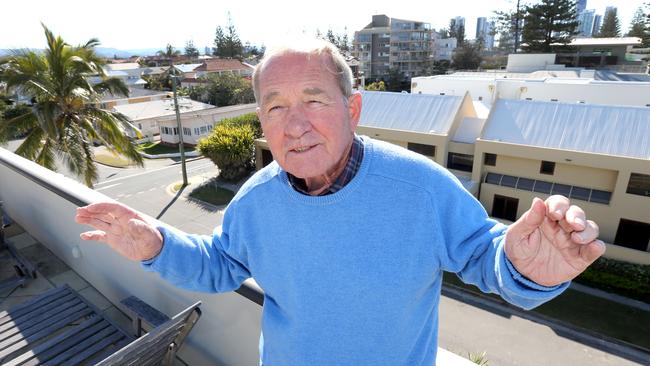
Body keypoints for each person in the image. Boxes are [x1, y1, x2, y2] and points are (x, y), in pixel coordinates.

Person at [76, 39, 605, 365]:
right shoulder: (256, 200)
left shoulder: (420, 187)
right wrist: (155, 244)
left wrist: (530, 270)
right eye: (275, 107)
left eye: (314, 100)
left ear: (352, 107)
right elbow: (220, 264)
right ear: (261, 121)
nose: (296, 125)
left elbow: (485, 256)